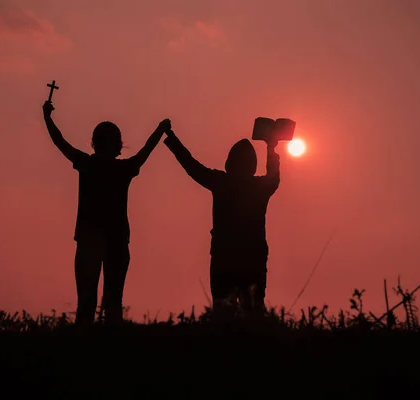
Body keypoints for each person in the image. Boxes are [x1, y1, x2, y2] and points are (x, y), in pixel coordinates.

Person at [42, 100, 170, 324]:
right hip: (117, 243)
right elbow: (145, 152)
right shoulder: (123, 170)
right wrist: (160, 130)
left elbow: (60, 143)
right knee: (113, 304)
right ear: (118, 144)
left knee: (86, 305)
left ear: (94, 143)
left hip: (88, 242)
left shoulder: (86, 164)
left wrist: (47, 119)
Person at [163, 128, 280, 314]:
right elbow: (274, 176)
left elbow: (191, 166)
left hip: (224, 256)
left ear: (229, 163)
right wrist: (271, 146)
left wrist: (172, 139)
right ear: (252, 166)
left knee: (222, 309)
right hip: (253, 256)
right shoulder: (260, 187)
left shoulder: (221, 182)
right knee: (253, 310)